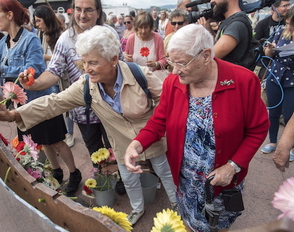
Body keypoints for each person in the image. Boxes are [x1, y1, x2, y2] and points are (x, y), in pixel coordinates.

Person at [0, 25, 178, 226]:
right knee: (128, 179)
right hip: (121, 143)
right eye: (84, 62)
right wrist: (14, 114)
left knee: (164, 171)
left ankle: (175, 204)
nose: (87, 69)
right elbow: (54, 102)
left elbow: (168, 102)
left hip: (151, 137)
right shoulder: (86, 85)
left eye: (93, 62)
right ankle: (138, 208)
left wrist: (155, 126)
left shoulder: (140, 75)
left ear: (113, 59)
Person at [124, 24, 269, 232]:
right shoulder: (173, 82)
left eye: (181, 63)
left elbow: (258, 129)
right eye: (172, 62)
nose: (174, 70)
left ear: (206, 55)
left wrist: (233, 166)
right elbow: (159, 121)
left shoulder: (243, 81)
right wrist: (137, 144)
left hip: (221, 183)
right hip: (186, 181)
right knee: (190, 223)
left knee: (217, 225)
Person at [0, 0, 81, 196]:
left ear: (9, 15)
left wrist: (0, 69)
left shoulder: (30, 39)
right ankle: (57, 171)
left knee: (57, 140)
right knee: (41, 141)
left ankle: (74, 173)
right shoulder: (2, 43)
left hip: (40, 99)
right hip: (21, 104)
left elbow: (35, 69)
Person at [17, 0, 118, 159]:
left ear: (98, 12)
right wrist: (33, 83)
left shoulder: (109, 33)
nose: (82, 15)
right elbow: (53, 71)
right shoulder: (66, 39)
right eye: (78, 9)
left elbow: (121, 65)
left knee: (118, 152)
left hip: (112, 107)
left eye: (88, 10)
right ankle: (103, 181)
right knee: (97, 156)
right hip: (84, 112)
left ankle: (122, 183)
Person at [33, 4, 75, 148]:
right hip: (48, 77)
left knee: (68, 105)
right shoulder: (39, 34)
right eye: (35, 21)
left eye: (39, 20)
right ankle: (59, 136)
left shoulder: (61, 34)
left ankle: (69, 133)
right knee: (54, 106)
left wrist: (43, 56)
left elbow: (61, 60)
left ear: (46, 19)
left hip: (62, 77)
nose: (36, 24)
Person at [261, 6, 294, 156]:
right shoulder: (281, 32)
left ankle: (290, 146)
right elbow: (268, 54)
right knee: (273, 112)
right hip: (275, 76)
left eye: (291, 24)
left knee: (289, 115)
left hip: (292, 80)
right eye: (288, 23)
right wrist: (270, 48)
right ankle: (272, 141)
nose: (289, 27)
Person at [197, 0, 252, 66]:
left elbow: (211, 56)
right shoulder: (229, 22)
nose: (212, 1)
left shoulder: (236, 25)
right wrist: (207, 30)